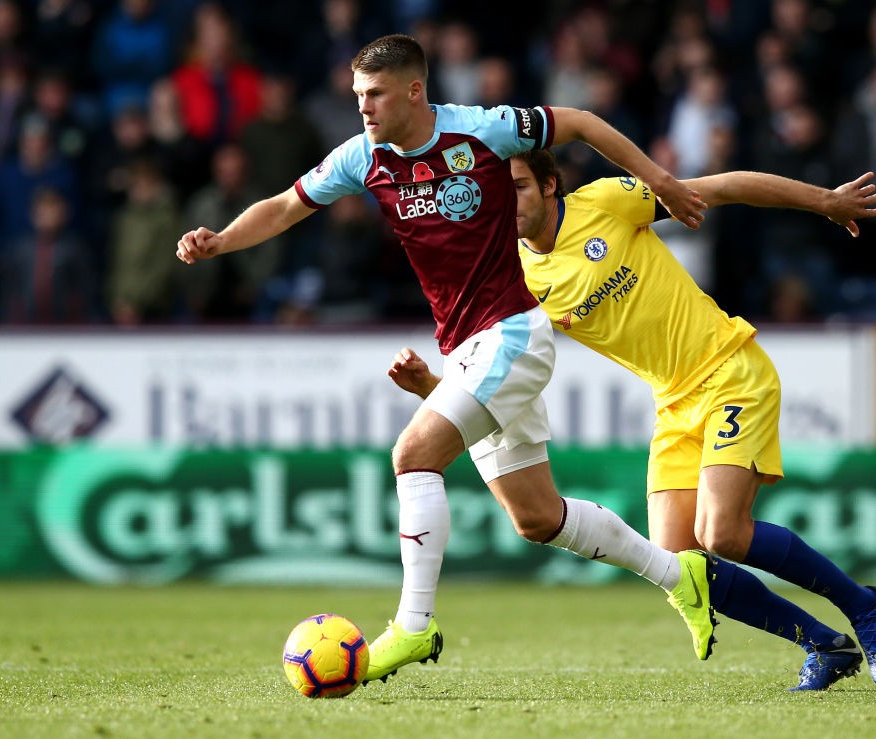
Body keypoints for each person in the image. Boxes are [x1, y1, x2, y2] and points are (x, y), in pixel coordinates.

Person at [175, 34, 712, 685]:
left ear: (413, 90)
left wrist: (657, 178)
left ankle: (414, 625)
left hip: (512, 334)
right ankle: (677, 573)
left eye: (373, 94)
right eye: (356, 96)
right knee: (539, 517)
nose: (363, 107)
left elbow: (578, 122)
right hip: (467, 347)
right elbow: (288, 206)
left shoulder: (481, 131)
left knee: (412, 454)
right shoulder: (363, 155)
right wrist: (222, 239)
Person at [386, 149, 876, 692]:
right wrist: (432, 388)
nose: (505, 202)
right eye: (495, 192)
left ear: (548, 186)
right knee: (681, 561)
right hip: (674, 403)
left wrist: (825, 200)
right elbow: (497, 375)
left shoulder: (607, 202)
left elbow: (722, 186)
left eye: (516, 187)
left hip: (730, 369)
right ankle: (823, 643)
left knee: (722, 534)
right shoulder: (517, 279)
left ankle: (866, 608)